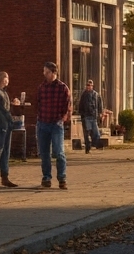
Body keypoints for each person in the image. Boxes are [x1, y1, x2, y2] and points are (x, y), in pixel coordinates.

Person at [34, 61, 71, 189]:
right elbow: (37, 103)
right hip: (43, 122)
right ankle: (46, 177)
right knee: (44, 153)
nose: (45, 74)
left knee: (59, 152)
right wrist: (39, 118)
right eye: (44, 72)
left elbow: (67, 107)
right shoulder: (41, 87)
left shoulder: (62, 88)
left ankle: (62, 178)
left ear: (54, 72)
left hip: (56, 123)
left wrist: (61, 118)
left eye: (47, 72)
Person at [0, 71, 18, 189]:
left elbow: (4, 107)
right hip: (0, 126)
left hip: (5, 125)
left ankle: (4, 177)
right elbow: (2, 110)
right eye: (6, 78)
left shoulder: (3, 93)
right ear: (1, 79)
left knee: (5, 151)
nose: (7, 80)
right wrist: (11, 119)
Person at [77, 80, 103, 154]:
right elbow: (81, 105)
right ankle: (88, 147)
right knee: (87, 132)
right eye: (87, 85)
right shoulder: (84, 95)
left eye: (90, 85)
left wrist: (100, 113)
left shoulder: (96, 95)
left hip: (94, 116)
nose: (88, 87)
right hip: (86, 116)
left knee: (96, 132)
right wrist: (82, 115)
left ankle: (96, 144)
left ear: (92, 86)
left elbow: (100, 104)